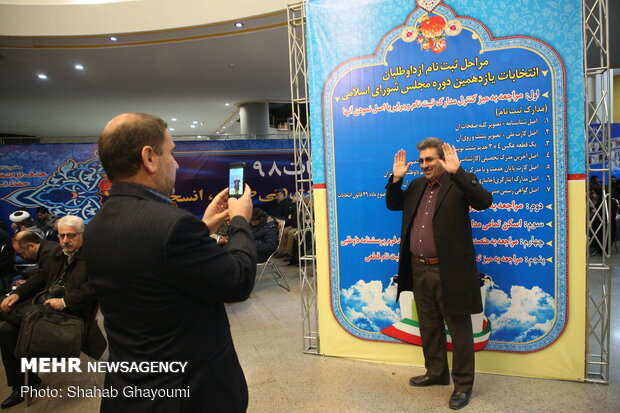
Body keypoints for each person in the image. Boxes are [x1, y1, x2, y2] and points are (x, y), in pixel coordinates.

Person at [83, 113, 256, 413]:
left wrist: (203, 227)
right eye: (172, 152)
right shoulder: (172, 225)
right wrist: (240, 219)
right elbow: (238, 280)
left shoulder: (96, 225)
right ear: (149, 157)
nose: (176, 164)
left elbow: (155, 266)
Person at [385, 138, 492, 410]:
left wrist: (459, 172)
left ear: (442, 160)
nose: (424, 165)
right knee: (429, 325)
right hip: (418, 267)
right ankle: (436, 373)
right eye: (421, 161)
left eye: (429, 160)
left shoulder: (458, 182)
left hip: (450, 270)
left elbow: (484, 202)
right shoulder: (418, 185)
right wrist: (396, 179)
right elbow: (393, 204)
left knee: (459, 330)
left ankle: (463, 386)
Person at [0, 215, 105, 409]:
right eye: (61, 235)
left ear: (82, 234)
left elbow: (97, 286)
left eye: (71, 235)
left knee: (6, 315)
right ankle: (25, 384)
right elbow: (41, 276)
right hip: (47, 309)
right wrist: (18, 294)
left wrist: (65, 302)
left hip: (71, 316)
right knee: (6, 330)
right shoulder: (59, 252)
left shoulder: (95, 256)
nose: (65, 240)